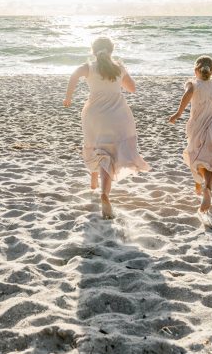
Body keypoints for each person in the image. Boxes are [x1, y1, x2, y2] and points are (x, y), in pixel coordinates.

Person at [63, 37, 150, 219]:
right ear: (111, 51)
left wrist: (68, 97)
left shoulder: (88, 67)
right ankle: (104, 193)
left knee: (95, 147)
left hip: (94, 114)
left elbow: (73, 75)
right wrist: (118, 82)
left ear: (93, 51)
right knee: (109, 153)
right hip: (118, 115)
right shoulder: (119, 67)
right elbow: (132, 89)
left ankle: (94, 181)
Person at [169, 55, 212, 222]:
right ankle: (206, 187)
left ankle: (200, 185)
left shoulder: (192, 84)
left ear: (195, 70)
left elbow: (188, 94)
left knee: (196, 157)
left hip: (198, 126)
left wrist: (178, 113)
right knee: (211, 162)